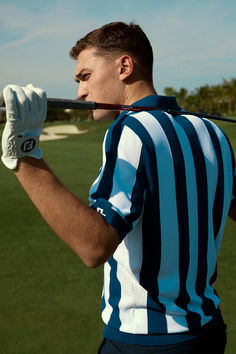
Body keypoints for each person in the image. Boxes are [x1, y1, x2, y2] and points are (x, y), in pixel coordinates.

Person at [1, 21, 236, 354]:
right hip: (210, 333)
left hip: (145, 341)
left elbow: (94, 245)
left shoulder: (133, 130)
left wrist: (25, 157)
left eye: (84, 76)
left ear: (124, 66)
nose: (80, 92)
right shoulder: (214, 133)